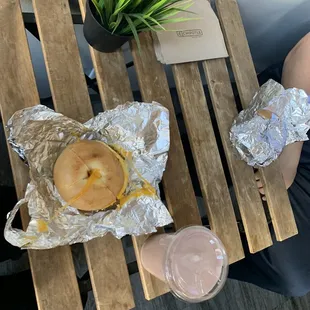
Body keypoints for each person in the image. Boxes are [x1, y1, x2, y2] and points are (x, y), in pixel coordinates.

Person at [229, 32, 310, 297]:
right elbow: (304, 54)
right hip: (298, 112)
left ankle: (208, 252)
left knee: (299, 279)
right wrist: (290, 152)